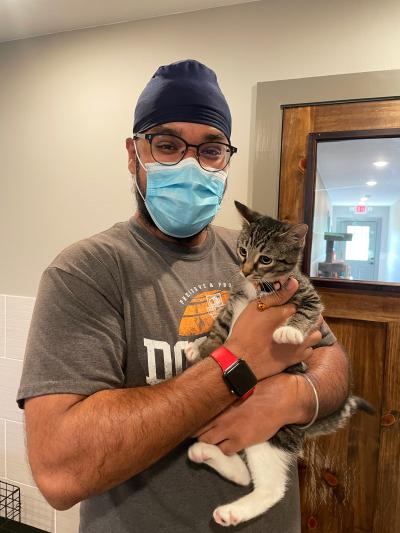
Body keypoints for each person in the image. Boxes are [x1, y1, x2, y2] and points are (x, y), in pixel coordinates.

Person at [17, 59, 349, 532]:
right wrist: (237, 363)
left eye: (211, 150)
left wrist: (296, 397)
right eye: (168, 145)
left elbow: (332, 363)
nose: (192, 165)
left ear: (226, 161)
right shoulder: (85, 272)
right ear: (134, 156)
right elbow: (59, 470)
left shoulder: (254, 254)